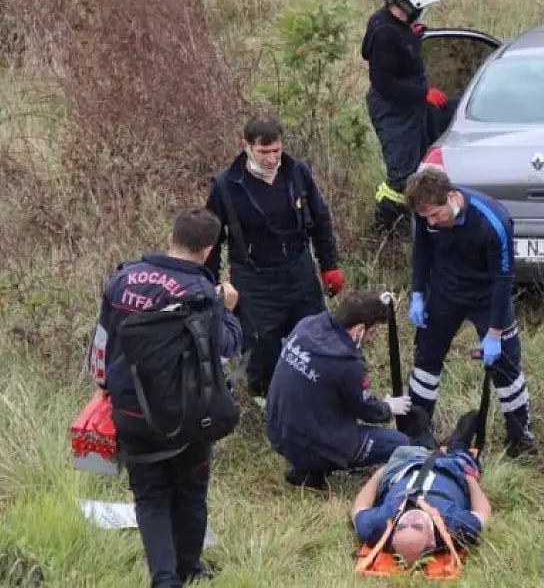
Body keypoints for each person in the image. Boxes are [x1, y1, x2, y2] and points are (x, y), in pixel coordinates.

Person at [86, 209, 243, 588]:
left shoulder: (122, 280)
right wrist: (230, 312)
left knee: (150, 497)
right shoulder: (202, 293)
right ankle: (189, 568)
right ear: (207, 251)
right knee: (190, 492)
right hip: (187, 416)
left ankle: (165, 579)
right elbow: (224, 349)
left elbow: (101, 346)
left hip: (131, 409)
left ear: (171, 237)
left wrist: (106, 388)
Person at [204, 115, 345, 403]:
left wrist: (329, 265)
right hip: (254, 277)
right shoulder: (227, 185)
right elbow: (212, 238)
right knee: (261, 345)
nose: (271, 159)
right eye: (264, 152)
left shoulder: (297, 173)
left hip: (298, 269)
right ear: (246, 146)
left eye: (276, 151)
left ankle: (315, 395)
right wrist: (211, 282)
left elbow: (320, 219)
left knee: (314, 335)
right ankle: (268, 401)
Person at [404, 168, 536, 458]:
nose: (432, 222)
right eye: (426, 218)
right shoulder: (423, 208)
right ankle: (417, 431)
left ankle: (521, 437)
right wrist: (417, 294)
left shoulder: (493, 221)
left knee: (505, 365)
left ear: (451, 197)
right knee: (426, 360)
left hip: (487, 296)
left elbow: (503, 280)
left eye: (437, 215)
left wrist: (495, 332)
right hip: (443, 292)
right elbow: (422, 251)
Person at [266, 290, 426, 490]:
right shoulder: (346, 362)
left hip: (278, 432)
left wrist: (381, 302)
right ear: (359, 330)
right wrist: (387, 407)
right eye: (372, 332)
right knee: (400, 444)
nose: (371, 337)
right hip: (313, 444)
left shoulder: (306, 325)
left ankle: (306, 466)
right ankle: (314, 466)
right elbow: (367, 411)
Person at [361, 0, 455, 232]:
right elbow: (384, 81)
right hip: (393, 111)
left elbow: (372, 51)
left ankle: (409, 223)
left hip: (406, 108)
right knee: (401, 176)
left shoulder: (387, 23)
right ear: (414, 2)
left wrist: (410, 36)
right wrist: (423, 94)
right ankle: (386, 229)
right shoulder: (386, 33)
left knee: (417, 165)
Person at [352, 411, 491, 566]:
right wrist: (470, 479)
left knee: (417, 426)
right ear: (431, 541)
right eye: (417, 527)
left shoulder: (375, 527)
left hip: (408, 464)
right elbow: (482, 512)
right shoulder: (456, 527)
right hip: (454, 470)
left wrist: (379, 474)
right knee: (466, 431)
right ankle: (460, 440)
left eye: (402, 526)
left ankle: (423, 432)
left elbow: (359, 508)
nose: (410, 519)